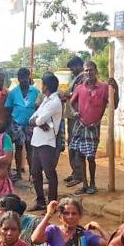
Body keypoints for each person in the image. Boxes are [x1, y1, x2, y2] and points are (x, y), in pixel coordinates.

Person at [69, 61, 116, 195]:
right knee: (80, 155)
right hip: (80, 126)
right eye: (86, 70)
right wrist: (75, 113)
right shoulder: (79, 87)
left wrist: (115, 88)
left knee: (91, 157)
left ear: (95, 70)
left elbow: (114, 105)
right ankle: (84, 184)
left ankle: (93, 184)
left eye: (90, 70)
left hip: (93, 127)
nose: (88, 72)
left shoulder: (104, 87)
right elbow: (71, 103)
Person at [28, 73, 63, 211]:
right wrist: (37, 122)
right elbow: (34, 118)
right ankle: (40, 201)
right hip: (37, 140)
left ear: (46, 86)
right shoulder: (46, 100)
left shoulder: (55, 102)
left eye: (42, 83)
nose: (41, 86)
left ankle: (52, 204)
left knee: (49, 173)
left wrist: (37, 121)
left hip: (47, 142)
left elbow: (38, 120)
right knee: (35, 172)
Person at [4, 68, 40, 181]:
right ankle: (19, 173)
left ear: (29, 77)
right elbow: (8, 109)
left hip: (31, 125)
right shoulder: (13, 92)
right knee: (18, 149)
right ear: (18, 78)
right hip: (17, 125)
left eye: (26, 77)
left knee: (31, 149)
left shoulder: (35, 91)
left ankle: (32, 174)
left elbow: (39, 107)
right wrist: (10, 124)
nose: (24, 80)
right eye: (21, 77)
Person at [62, 57, 86, 185]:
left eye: (72, 67)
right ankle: (75, 171)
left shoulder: (83, 77)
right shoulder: (76, 77)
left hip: (77, 116)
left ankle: (78, 174)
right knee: (71, 143)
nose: (71, 70)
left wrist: (66, 95)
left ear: (78, 65)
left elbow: (79, 94)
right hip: (72, 115)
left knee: (75, 145)